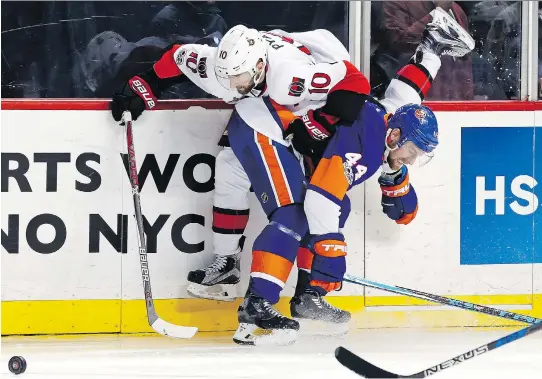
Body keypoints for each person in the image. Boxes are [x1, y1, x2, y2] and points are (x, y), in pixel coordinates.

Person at [110, 7, 474, 345]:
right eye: (410, 152)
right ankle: (258, 308)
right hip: (264, 122)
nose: (232, 89)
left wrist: (431, 51)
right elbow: (177, 57)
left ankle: (297, 294)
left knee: (257, 183)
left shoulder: (381, 122)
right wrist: (142, 86)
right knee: (297, 213)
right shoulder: (229, 71)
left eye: (413, 155)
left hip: (293, 98)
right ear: (395, 136)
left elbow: (404, 93)